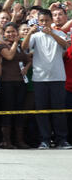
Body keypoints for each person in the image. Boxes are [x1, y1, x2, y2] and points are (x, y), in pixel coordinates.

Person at [21, 9, 72, 149]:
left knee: (59, 110)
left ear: (51, 21)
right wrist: (30, 32)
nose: (44, 23)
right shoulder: (35, 36)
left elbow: (66, 46)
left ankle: (61, 139)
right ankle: (45, 139)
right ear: (38, 21)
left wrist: (52, 34)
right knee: (41, 110)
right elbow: (24, 47)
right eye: (41, 21)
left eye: (46, 21)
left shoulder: (59, 33)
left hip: (58, 78)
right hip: (40, 79)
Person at [0, 23, 32, 149]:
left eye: (13, 32)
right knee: (8, 110)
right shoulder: (2, 45)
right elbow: (9, 56)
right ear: (4, 33)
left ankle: (19, 140)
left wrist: (26, 68)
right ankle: (6, 140)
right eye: (8, 32)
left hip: (20, 82)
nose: (11, 34)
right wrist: (16, 43)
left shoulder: (19, 46)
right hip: (7, 82)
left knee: (19, 111)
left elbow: (28, 60)